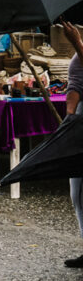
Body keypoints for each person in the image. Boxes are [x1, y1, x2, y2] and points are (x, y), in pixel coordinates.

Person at [61, 21, 83, 268]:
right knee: (78, 193)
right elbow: (74, 91)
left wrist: (77, 42)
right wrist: (68, 119)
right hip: (79, 128)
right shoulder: (78, 59)